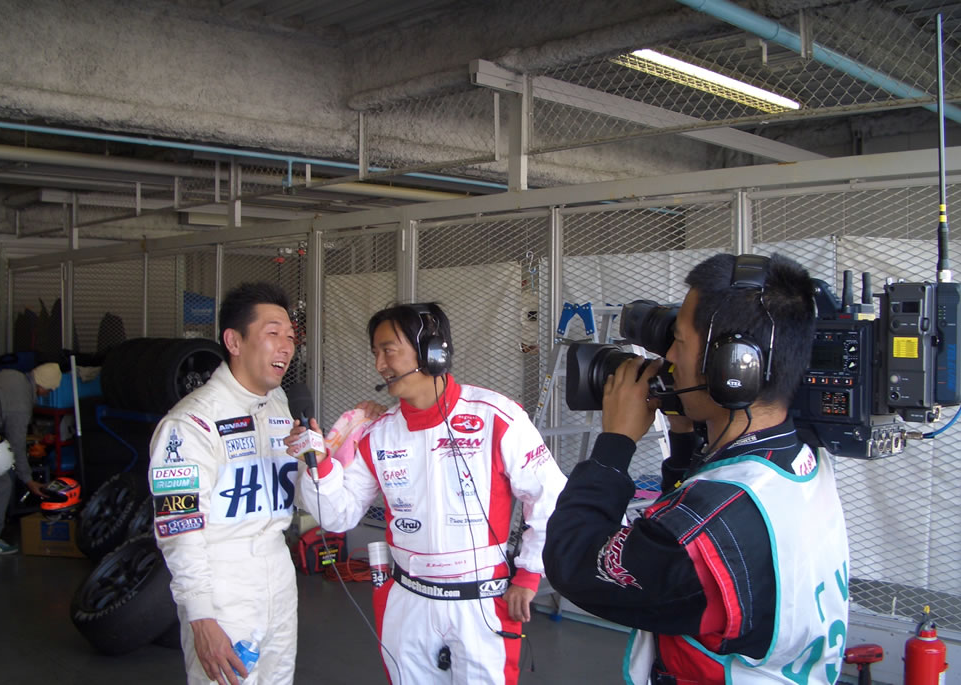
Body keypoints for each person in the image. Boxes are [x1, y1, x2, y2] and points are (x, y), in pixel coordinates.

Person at [543, 253, 849, 684]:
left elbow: (573, 561)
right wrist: (684, 437)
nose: (667, 355)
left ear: (732, 367)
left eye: (679, 342)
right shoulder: (800, 461)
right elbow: (693, 515)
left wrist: (615, 443)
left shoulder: (714, 529)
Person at [293, 302, 567, 685]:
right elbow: (338, 516)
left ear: (432, 352)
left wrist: (529, 574)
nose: (380, 365)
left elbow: (549, 497)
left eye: (388, 350)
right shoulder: (377, 433)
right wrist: (317, 464)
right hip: (408, 602)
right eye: (375, 353)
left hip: (481, 603)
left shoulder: (496, 416)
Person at [148, 282, 301, 685]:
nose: (286, 346)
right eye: (272, 334)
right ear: (234, 341)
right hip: (224, 586)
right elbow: (180, 529)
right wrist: (200, 616)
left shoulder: (279, 403)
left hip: (279, 574)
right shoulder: (189, 424)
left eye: (290, 336)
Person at [0, 362, 59, 554]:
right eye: (48, 391)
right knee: (1, 485)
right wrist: (29, 480)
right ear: (42, 387)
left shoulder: (11, 374)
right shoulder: (21, 404)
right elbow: (17, 446)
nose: (46, 395)